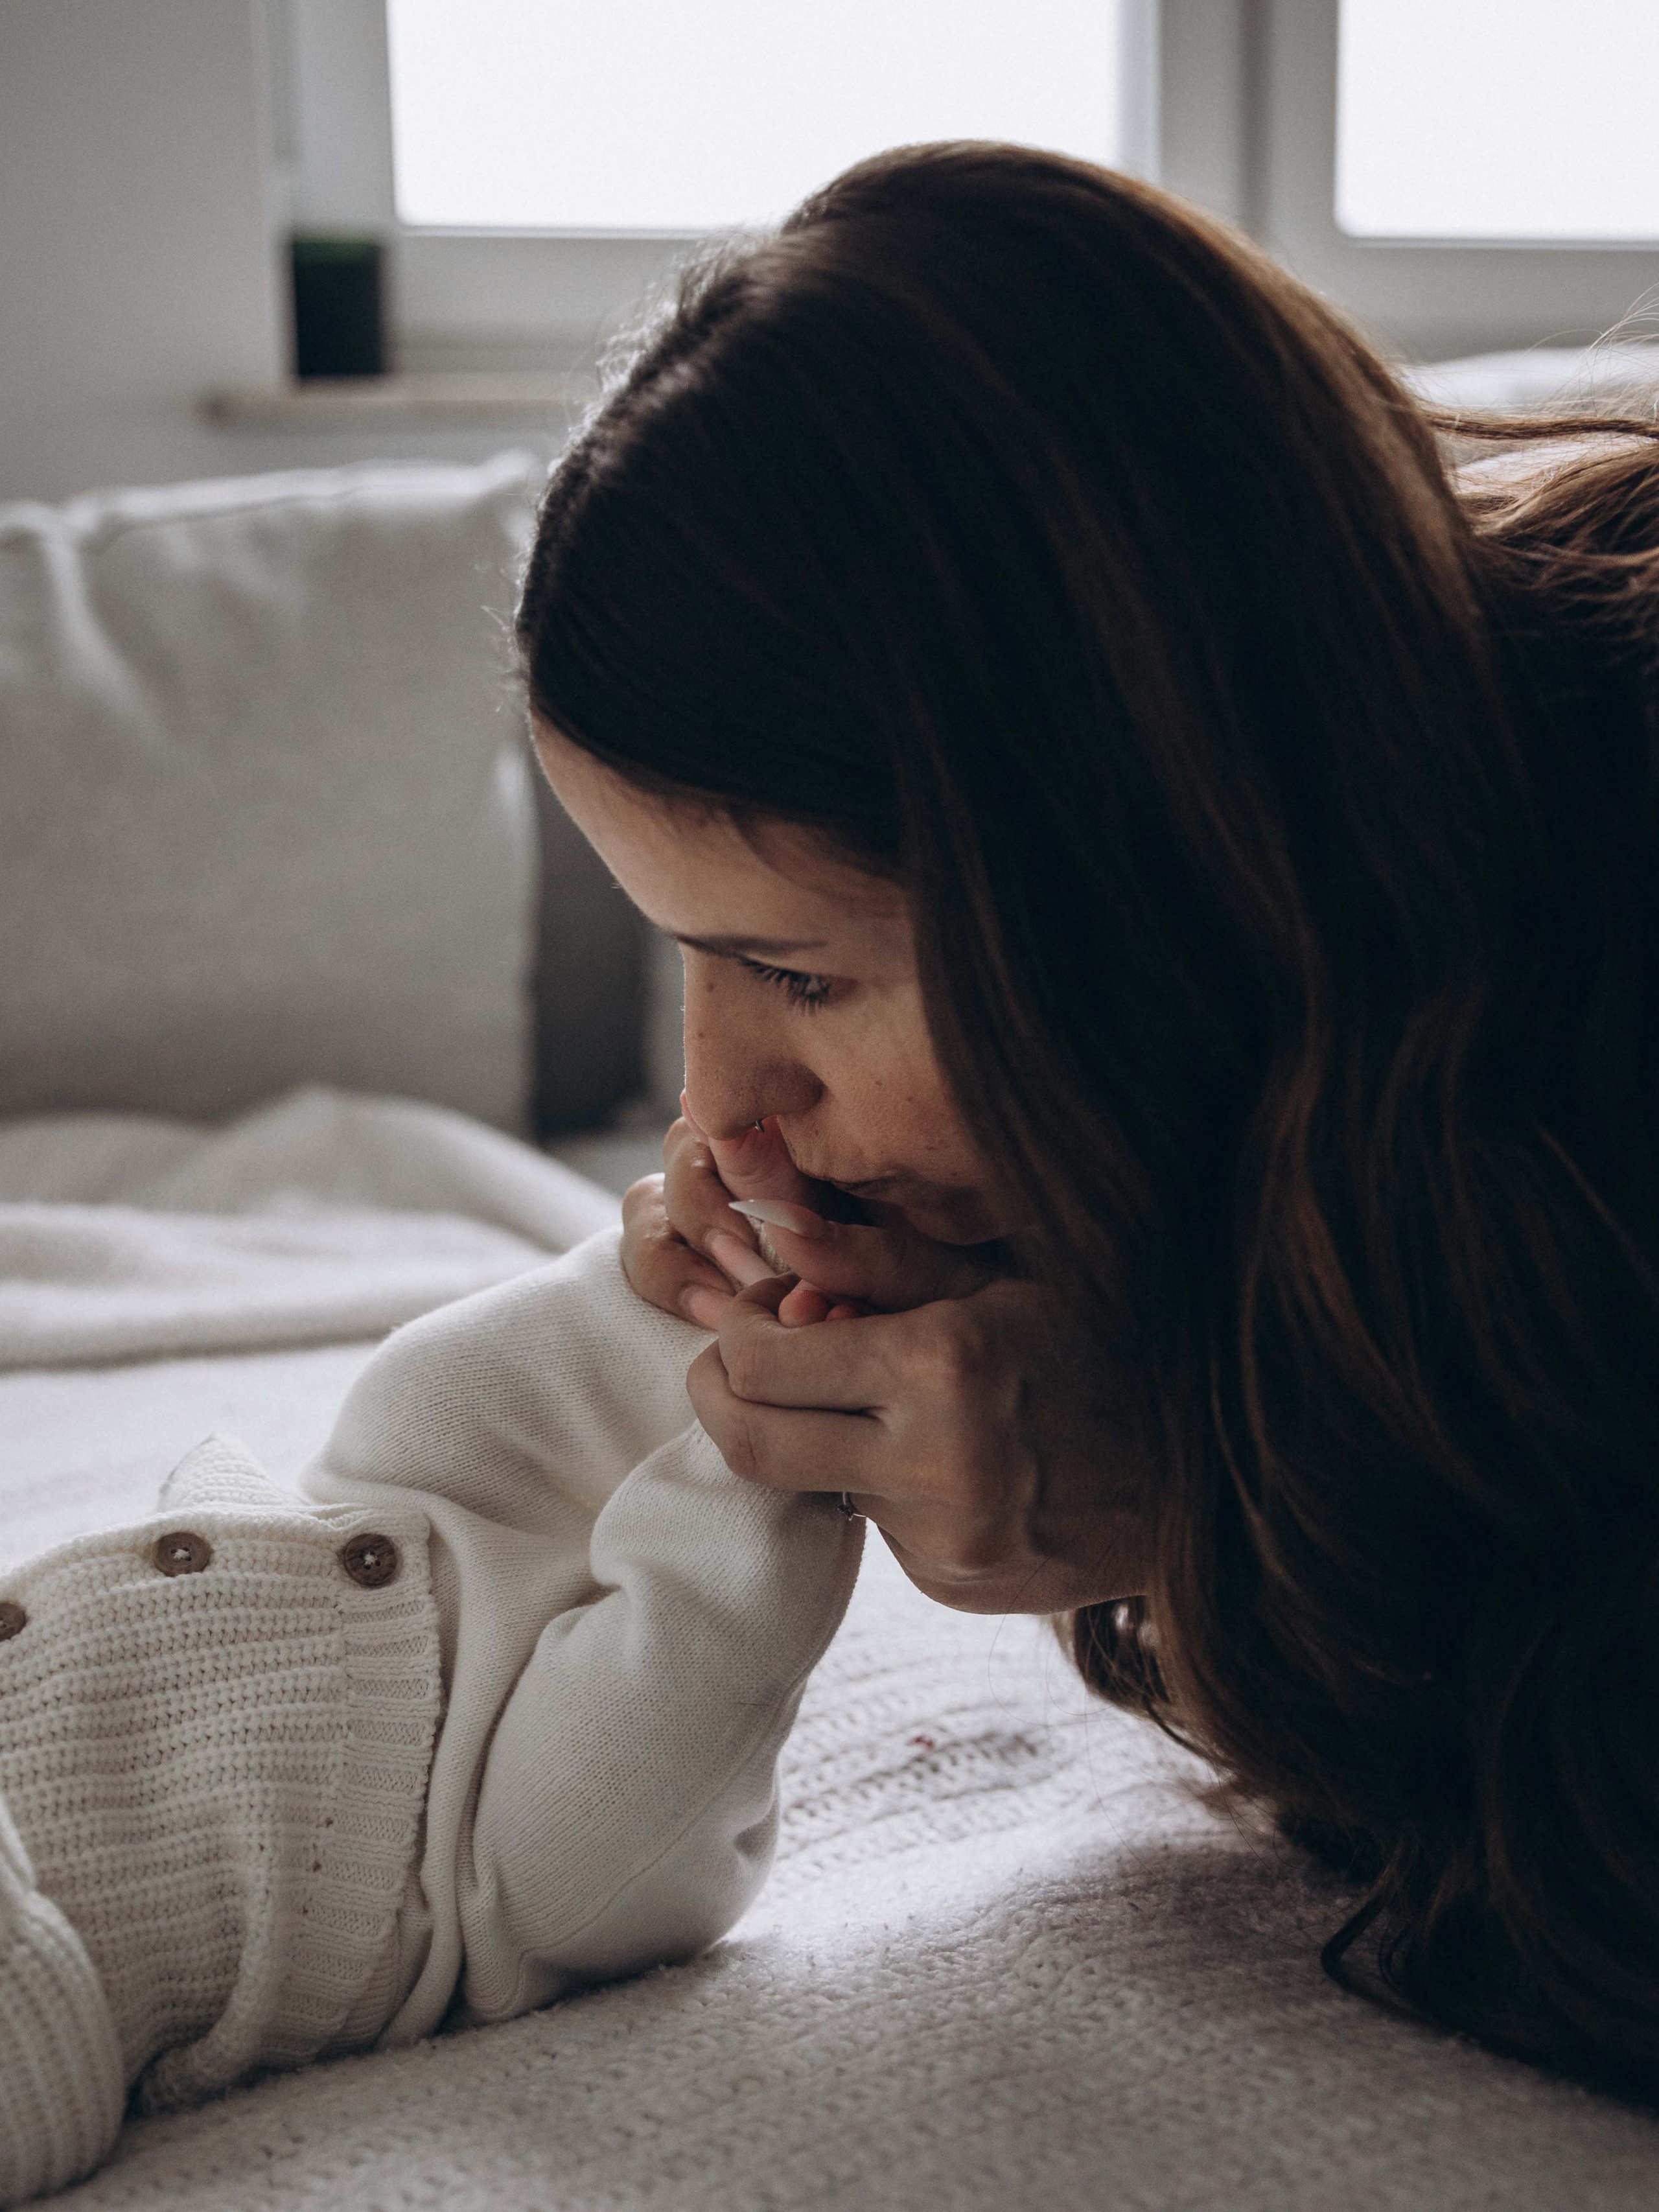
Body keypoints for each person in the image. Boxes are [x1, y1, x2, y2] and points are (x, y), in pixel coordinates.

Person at [515, 144, 1659, 2086]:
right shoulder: (1336, 961)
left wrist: (1218, 1508)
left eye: (801, 975)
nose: (717, 1109)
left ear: (1140, 864)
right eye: (687, 967)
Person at [0, 1234, 860, 2204]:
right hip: (439, 1876)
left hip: (320, 1553)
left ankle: (753, 1239)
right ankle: (814, 1392)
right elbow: (44, 2103)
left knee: (434, 1390)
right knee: (650, 1722)